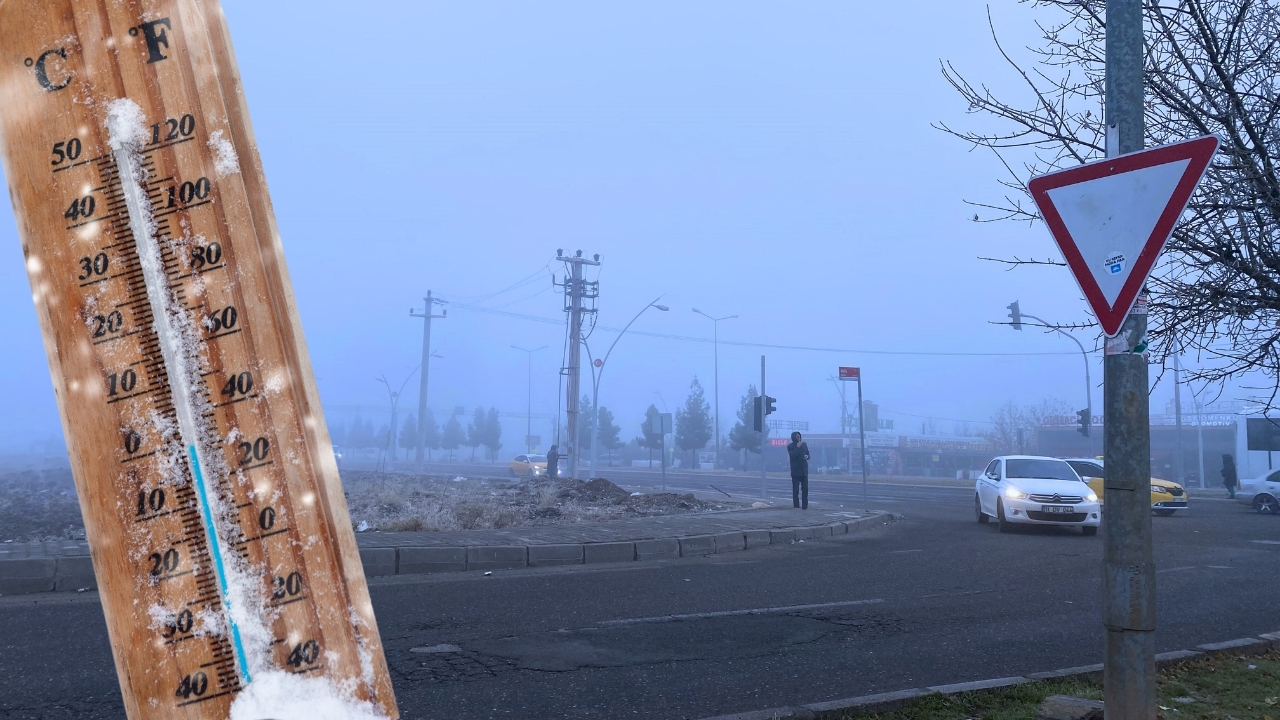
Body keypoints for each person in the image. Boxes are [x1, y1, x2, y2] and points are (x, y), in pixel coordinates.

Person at [787, 431, 810, 509]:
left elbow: (808, 454)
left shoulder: (804, 444)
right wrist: (797, 447)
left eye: (799, 436)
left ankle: (805, 505)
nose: (798, 438)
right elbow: (793, 456)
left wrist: (807, 456)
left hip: (804, 471)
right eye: (797, 436)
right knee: (796, 490)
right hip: (796, 471)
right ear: (793, 437)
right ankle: (796, 505)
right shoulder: (790, 446)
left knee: (805, 489)